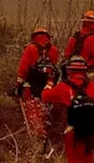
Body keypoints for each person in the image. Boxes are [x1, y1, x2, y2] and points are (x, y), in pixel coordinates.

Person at [15, 27, 60, 155]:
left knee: (32, 112)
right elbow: (53, 70)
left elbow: (23, 69)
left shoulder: (30, 49)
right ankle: (44, 136)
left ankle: (38, 141)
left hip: (30, 87)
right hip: (47, 88)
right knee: (43, 112)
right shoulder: (54, 50)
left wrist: (18, 85)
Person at [65, 9, 94, 77]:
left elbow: (67, 55)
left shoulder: (74, 37)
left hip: (72, 72)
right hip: (88, 72)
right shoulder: (93, 38)